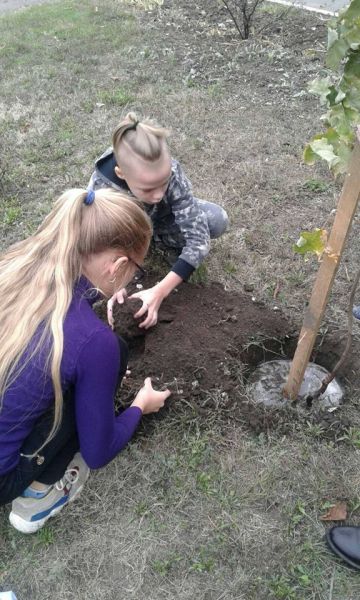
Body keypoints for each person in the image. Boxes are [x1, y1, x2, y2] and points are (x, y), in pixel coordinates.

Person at [0, 188, 171, 534]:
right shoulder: (94, 342)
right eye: (136, 269)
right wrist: (140, 405)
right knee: (113, 355)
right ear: (119, 266)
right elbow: (98, 452)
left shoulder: (11, 273)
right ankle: (38, 498)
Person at [88, 112, 229, 329]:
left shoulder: (170, 169)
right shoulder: (102, 191)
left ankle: (158, 240)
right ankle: (146, 242)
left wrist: (160, 291)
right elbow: (100, 245)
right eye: (148, 188)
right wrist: (117, 285)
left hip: (162, 221)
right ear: (121, 173)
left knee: (216, 220)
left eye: (163, 183)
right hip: (127, 230)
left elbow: (198, 239)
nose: (158, 195)